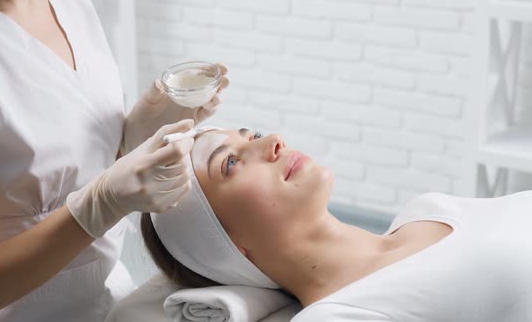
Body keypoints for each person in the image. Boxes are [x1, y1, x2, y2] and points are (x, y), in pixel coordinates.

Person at [0, 0, 229, 320]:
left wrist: (137, 132)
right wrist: (102, 204)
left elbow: (67, 167)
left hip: (103, 298)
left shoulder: (69, 0)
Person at [141, 127, 532, 321]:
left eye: (253, 134)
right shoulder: (338, 316)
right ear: (229, 248)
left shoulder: (427, 208)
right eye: (231, 162)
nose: (273, 141)